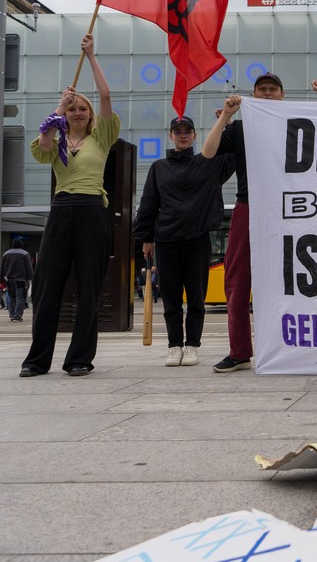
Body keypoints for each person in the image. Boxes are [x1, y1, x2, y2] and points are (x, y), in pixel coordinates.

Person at [212, 74, 317, 373]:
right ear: (253, 94)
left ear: (282, 94)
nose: (267, 94)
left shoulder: (298, 122)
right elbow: (208, 152)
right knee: (237, 278)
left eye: (272, 90)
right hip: (249, 205)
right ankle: (239, 351)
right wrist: (226, 116)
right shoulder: (241, 127)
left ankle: (307, 345)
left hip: (292, 207)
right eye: (261, 90)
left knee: (305, 276)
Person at [19, 34, 121, 378]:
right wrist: (57, 109)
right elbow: (44, 140)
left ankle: (79, 359)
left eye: (82, 109)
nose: (78, 113)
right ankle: (36, 361)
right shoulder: (54, 140)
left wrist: (91, 56)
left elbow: (105, 96)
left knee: (89, 286)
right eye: (73, 109)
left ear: (90, 116)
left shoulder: (102, 137)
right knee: (47, 286)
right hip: (61, 211)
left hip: (92, 210)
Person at [134, 98, 240, 367]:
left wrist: (226, 122)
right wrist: (146, 238)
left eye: (187, 131)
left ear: (194, 135)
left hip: (197, 239)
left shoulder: (207, 162)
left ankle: (192, 345)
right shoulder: (159, 168)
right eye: (178, 131)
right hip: (166, 240)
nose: (182, 135)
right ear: (171, 136)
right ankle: (174, 345)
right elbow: (149, 203)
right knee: (170, 297)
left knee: (195, 297)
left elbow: (231, 154)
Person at [2, 238, 34, 322]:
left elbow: (2, 267)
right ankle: (17, 316)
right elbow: (28, 267)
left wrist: (2, 278)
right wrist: (31, 276)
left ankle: (12, 315)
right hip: (21, 279)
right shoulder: (25, 254)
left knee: (11, 297)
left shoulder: (6, 254)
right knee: (20, 298)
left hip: (9, 280)